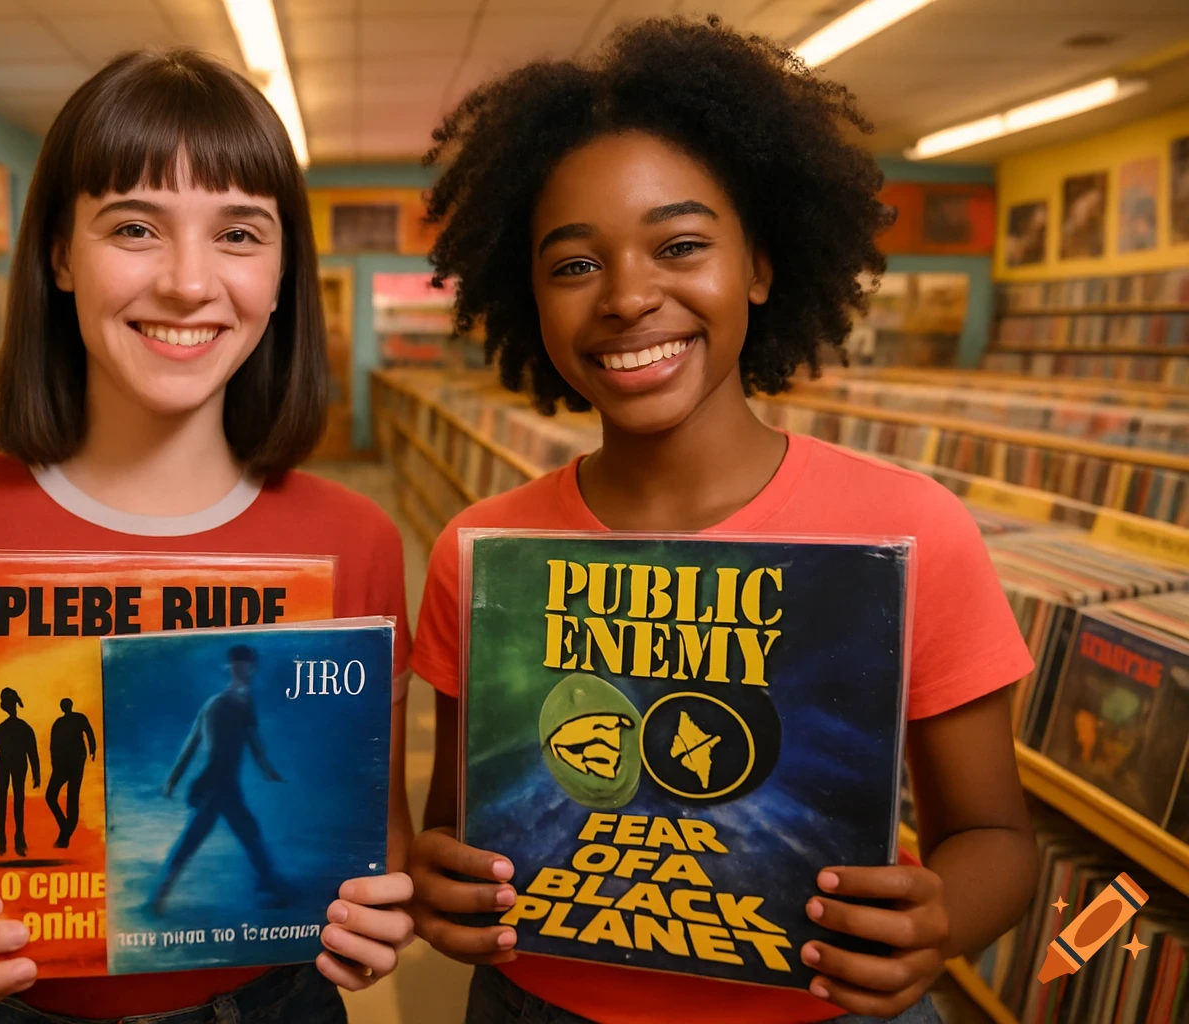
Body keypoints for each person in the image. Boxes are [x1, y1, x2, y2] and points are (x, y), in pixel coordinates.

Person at [406, 17, 1039, 1024]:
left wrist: (938, 920)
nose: (626, 296)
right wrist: (444, 890)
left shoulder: (913, 528)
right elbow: (458, 834)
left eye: (681, 244)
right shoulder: (481, 551)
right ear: (527, 294)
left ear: (759, 266)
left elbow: (999, 840)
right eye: (574, 264)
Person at [0, 48, 415, 1024]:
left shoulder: (356, 541)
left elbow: (380, 839)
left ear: (284, 273)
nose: (190, 281)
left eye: (239, 232)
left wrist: (375, 912)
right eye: (135, 227)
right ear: (61, 255)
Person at [151, 644, 292, 915]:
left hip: (227, 787)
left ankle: (271, 888)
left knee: (248, 835)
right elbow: (195, 745)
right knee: (198, 840)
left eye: (247, 665)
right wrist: (174, 781)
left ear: (252, 667)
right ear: (231, 668)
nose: (243, 671)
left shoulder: (244, 701)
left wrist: (266, 769)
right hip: (215, 787)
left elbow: (252, 739)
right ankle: (159, 897)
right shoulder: (219, 704)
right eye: (238, 666)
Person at [0, 688, 40, 857]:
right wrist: (36, 774)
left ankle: (10, 840)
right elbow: (32, 754)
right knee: (16, 801)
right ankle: (11, 840)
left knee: (9, 801)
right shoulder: (23, 728)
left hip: (12, 766)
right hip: (11, 766)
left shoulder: (1, 730)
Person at [45, 697, 94, 848]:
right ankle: (65, 827)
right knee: (50, 796)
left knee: (72, 797)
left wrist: (92, 750)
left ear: (69, 706)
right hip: (61, 765)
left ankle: (64, 836)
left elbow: (89, 733)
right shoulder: (58, 723)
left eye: (66, 705)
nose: (64, 707)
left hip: (77, 762)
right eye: (63, 705)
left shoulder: (80, 718)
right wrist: (54, 764)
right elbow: (52, 746)